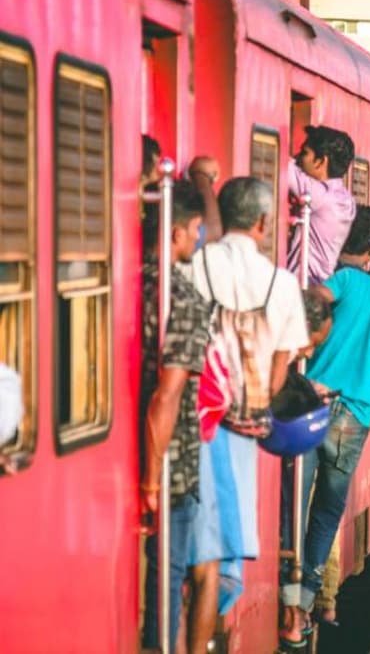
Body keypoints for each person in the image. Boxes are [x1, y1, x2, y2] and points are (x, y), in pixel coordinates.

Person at [281, 248, 370, 644]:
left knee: (294, 503)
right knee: (326, 513)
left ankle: (285, 590)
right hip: (353, 420)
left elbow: (312, 303)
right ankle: (304, 604)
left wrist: (307, 347)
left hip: (311, 401)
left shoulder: (348, 280)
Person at [186, 177, 310, 628]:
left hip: (192, 418)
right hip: (241, 430)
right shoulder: (280, 283)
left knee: (193, 545)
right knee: (221, 558)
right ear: (262, 222)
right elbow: (283, 361)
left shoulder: (195, 264)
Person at [139, 181, 213, 653]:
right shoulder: (183, 298)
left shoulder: (136, 278)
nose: (200, 237)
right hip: (173, 462)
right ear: (181, 231)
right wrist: (152, 481)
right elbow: (167, 397)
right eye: (198, 229)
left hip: (146, 451)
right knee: (169, 572)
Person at [287, 126, 357, 285]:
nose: (298, 158)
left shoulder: (322, 196)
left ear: (321, 161)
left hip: (303, 286)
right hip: (321, 286)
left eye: (304, 153)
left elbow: (284, 167)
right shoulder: (346, 200)